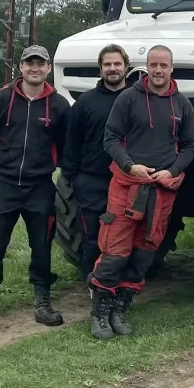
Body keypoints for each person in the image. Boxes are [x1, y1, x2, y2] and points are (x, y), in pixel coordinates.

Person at [89, 44, 194, 340]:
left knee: (143, 254)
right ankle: (100, 312)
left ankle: (120, 309)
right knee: (114, 251)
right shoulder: (128, 98)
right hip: (127, 185)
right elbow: (110, 139)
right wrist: (129, 165)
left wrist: (173, 171)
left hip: (161, 190)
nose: (158, 70)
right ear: (146, 67)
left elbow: (191, 146)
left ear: (171, 68)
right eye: (153, 65)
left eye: (164, 65)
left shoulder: (182, 105)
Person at [0, 44, 71, 338]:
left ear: (48, 69)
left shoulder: (59, 105)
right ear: (20, 68)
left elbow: (66, 145)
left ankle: (42, 301)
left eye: (41, 64)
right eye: (29, 63)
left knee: (42, 244)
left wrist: (50, 164)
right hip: (4, 186)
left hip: (40, 187)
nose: (35, 68)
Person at [61, 44, 130, 280]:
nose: (113, 69)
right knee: (92, 237)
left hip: (126, 181)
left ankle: (118, 286)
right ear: (100, 69)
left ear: (126, 67)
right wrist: (73, 178)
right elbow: (71, 142)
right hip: (91, 181)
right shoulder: (85, 103)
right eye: (107, 64)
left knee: (122, 236)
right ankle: (91, 285)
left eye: (117, 64)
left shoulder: (137, 100)